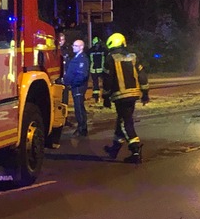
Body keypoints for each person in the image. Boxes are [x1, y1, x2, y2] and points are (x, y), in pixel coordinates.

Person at [101, 32, 150, 162]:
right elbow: (143, 76)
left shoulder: (110, 58)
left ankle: (135, 150)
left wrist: (105, 96)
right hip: (134, 94)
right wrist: (145, 93)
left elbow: (107, 79)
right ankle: (115, 149)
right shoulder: (133, 57)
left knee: (125, 122)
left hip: (120, 95)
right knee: (122, 120)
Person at [63, 38, 91, 136]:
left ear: (81, 47)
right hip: (75, 86)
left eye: (75, 46)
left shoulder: (82, 59)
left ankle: (82, 128)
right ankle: (82, 127)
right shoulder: (76, 57)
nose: (73, 47)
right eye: (73, 45)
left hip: (78, 87)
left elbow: (82, 75)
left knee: (79, 108)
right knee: (78, 107)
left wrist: (73, 83)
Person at [89, 36, 106, 107]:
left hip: (93, 70)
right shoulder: (103, 50)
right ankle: (103, 96)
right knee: (104, 83)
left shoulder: (90, 50)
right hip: (101, 69)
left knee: (95, 84)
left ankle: (96, 97)